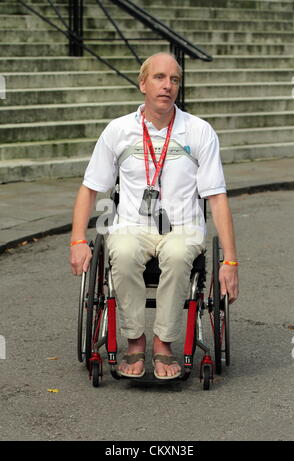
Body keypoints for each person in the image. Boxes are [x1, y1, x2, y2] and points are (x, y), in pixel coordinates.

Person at [70, 52, 239, 380]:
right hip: (131, 226)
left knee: (177, 254)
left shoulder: (199, 132)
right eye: (160, 78)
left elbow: (217, 198)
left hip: (183, 228)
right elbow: (89, 188)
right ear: (143, 84)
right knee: (121, 249)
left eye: (174, 79)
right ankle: (135, 341)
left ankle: (163, 343)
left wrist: (230, 261)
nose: (168, 85)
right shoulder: (118, 131)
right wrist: (78, 240)